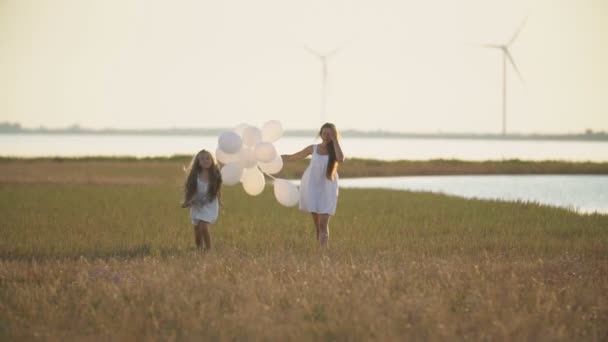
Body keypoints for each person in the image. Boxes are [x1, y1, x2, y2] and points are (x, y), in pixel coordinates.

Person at [282, 122, 345, 248]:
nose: (326, 136)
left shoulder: (335, 150)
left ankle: (324, 254)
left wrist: (335, 140)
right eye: (324, 133)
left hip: (328, 188)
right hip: (312, 186)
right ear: (321, 134)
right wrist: (278, 158)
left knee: (323, 223)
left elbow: (341, 158)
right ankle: (319, 250)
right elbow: (295, 156)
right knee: (317, 225)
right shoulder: (313, 148)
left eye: (330, 134)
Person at [181, 149, 222, 251]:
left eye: (208, 158)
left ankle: (209, 249)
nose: (205, 161)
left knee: (203, 225)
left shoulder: (215, 175)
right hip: (196, 203)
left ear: (212, 160)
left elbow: (215, 192)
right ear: (198, 162)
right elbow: (190, 190)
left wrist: (218, 201)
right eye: (202, 159)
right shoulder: (195, 175)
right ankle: (199, 248)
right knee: (197, 229)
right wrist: (188, 201)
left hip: (209, 203)